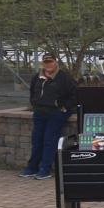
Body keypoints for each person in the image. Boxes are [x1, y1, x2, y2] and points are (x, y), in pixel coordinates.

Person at [20, 52, 78, 180]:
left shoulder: (64, 77)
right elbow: (32, 93)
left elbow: (75, 94)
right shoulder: (37, 77)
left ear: (55, 62)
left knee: (49, 140)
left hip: (56, 113)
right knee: (37, 140)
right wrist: (35, 104)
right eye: (46, 62)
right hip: (40, 112)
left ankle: (45, 169)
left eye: (51, 62)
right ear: (43, 63)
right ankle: (32, 167)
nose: (48, 65)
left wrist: (65, 106)